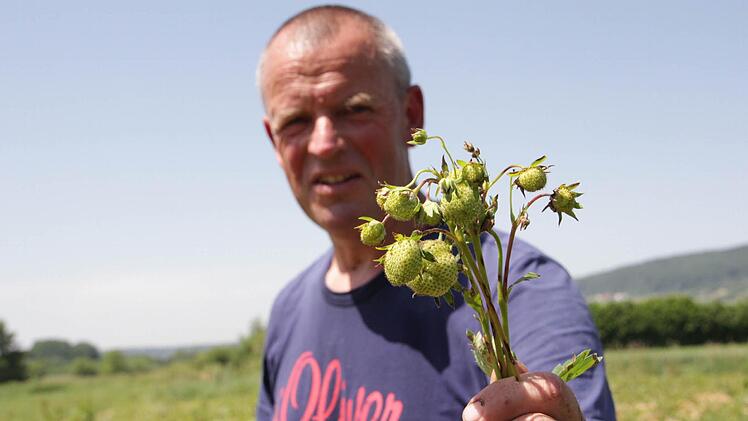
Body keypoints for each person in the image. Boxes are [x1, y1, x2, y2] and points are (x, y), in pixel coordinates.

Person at [256, 5, 616, 421]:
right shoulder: (287, 310)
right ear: (274, 141)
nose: (323, 143)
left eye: (354, 109)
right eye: (296, 121)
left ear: (411, 116)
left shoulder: (518, 290)